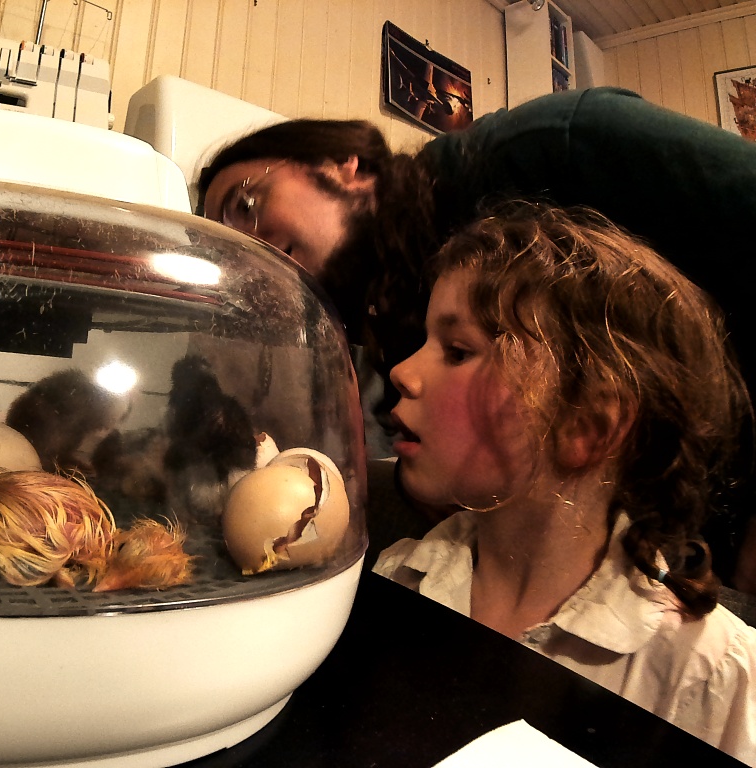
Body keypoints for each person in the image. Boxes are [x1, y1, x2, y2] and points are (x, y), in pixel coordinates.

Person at [197, 86, 756, 590]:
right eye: (231, 248)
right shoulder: (383, 315)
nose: (250, 250)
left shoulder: (544, 147)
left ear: (345, 164)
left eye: (246, 204)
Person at [372, 202, 756, 762]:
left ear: (586, 428)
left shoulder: (709, 673)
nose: (402, 372)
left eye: (457, 351)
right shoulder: (398, 578)